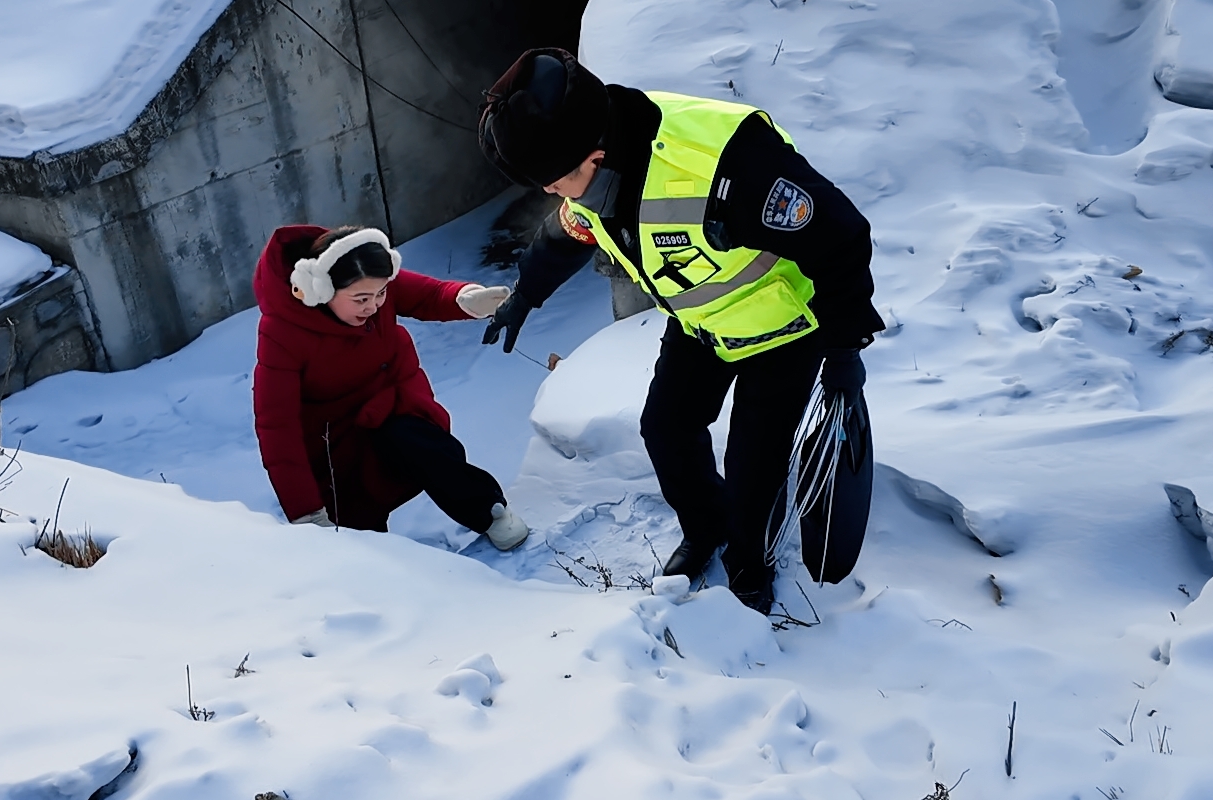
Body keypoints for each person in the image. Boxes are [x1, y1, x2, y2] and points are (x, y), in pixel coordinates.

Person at [477, 49, 882, 613]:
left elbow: (840, 236)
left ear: (596, 155)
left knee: (753, 468)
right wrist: (525, 296)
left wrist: (845, 348)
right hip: (702, 325)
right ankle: (706, 526)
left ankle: (748, 561)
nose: (551, 192)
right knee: (666, 429)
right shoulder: (592, 176)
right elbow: (567, 234)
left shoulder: (727, 167)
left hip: (784, 330)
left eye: (555, 180)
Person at [252, 224, 530, 549]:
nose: (373, 306)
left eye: (381, 294)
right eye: (360, 299)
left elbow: (429, 295)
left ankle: (490, 511)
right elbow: (276, 426)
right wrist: (305, 511)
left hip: (393, 402)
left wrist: (464, 299)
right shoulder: (281, 333)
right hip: (335, 435)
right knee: (353, 528)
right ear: (320, 291)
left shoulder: (373, 282)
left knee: (426, 448)